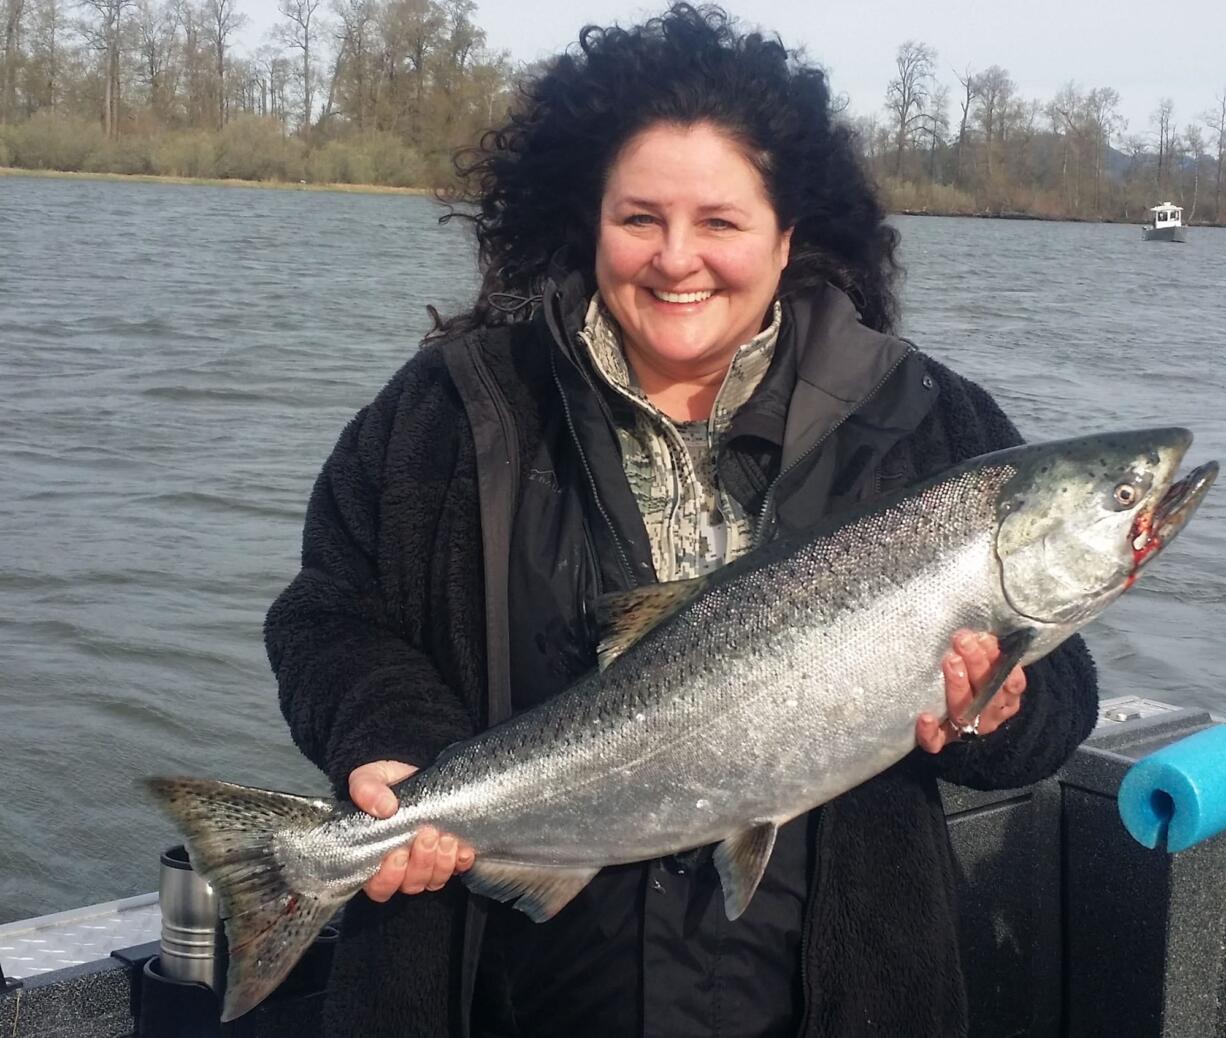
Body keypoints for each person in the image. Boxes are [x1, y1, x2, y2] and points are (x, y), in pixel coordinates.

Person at [265, 5, 1098, 1036]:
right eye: (639, 218)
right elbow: (329, 614)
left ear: (785, 235)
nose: (674, 260)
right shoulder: (453, 409)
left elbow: (1058, 702)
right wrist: (392, 740)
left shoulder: (929, 423)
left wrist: (999, 710)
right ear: (591, 220)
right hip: (494, 996)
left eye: (718, 222)